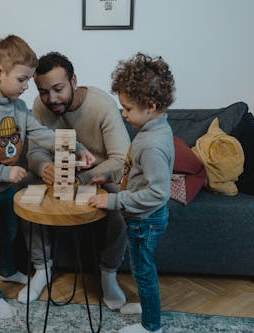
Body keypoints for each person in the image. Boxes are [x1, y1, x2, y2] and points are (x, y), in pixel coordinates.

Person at [0, 36, 95, 319]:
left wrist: (75, 146)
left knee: (10, 234)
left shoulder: (17, 106)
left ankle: (7, 270)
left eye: (28, 80)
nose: (27, 86)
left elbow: (39, 133)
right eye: (22, 79)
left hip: (6, 189)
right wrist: (3, 171)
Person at [17, 52, 131, 310]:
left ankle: (108, 272)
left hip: (101, 175)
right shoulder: (39, 106)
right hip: (59, 177)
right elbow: (34, 152)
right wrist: (45, 167)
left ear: (74, 81)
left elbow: (120, 159)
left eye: (58, 89)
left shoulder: (102, 106)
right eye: (44, 91)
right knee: (24, 191)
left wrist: (84, 177)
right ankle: (41, 267)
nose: (51, 99)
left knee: (124, 204)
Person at [88, 53, 175, 333]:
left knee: (143, 272)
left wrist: (113, 200)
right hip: (143, 218)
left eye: (127, 108)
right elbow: (133, 170)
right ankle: (146, 307)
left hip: (145, 220)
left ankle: (151, 326)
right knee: (141, 269)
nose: (123, 114)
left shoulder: (152, 144)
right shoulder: (153, 128)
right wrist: (110, 176)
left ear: (150, 106)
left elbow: (157, 193)